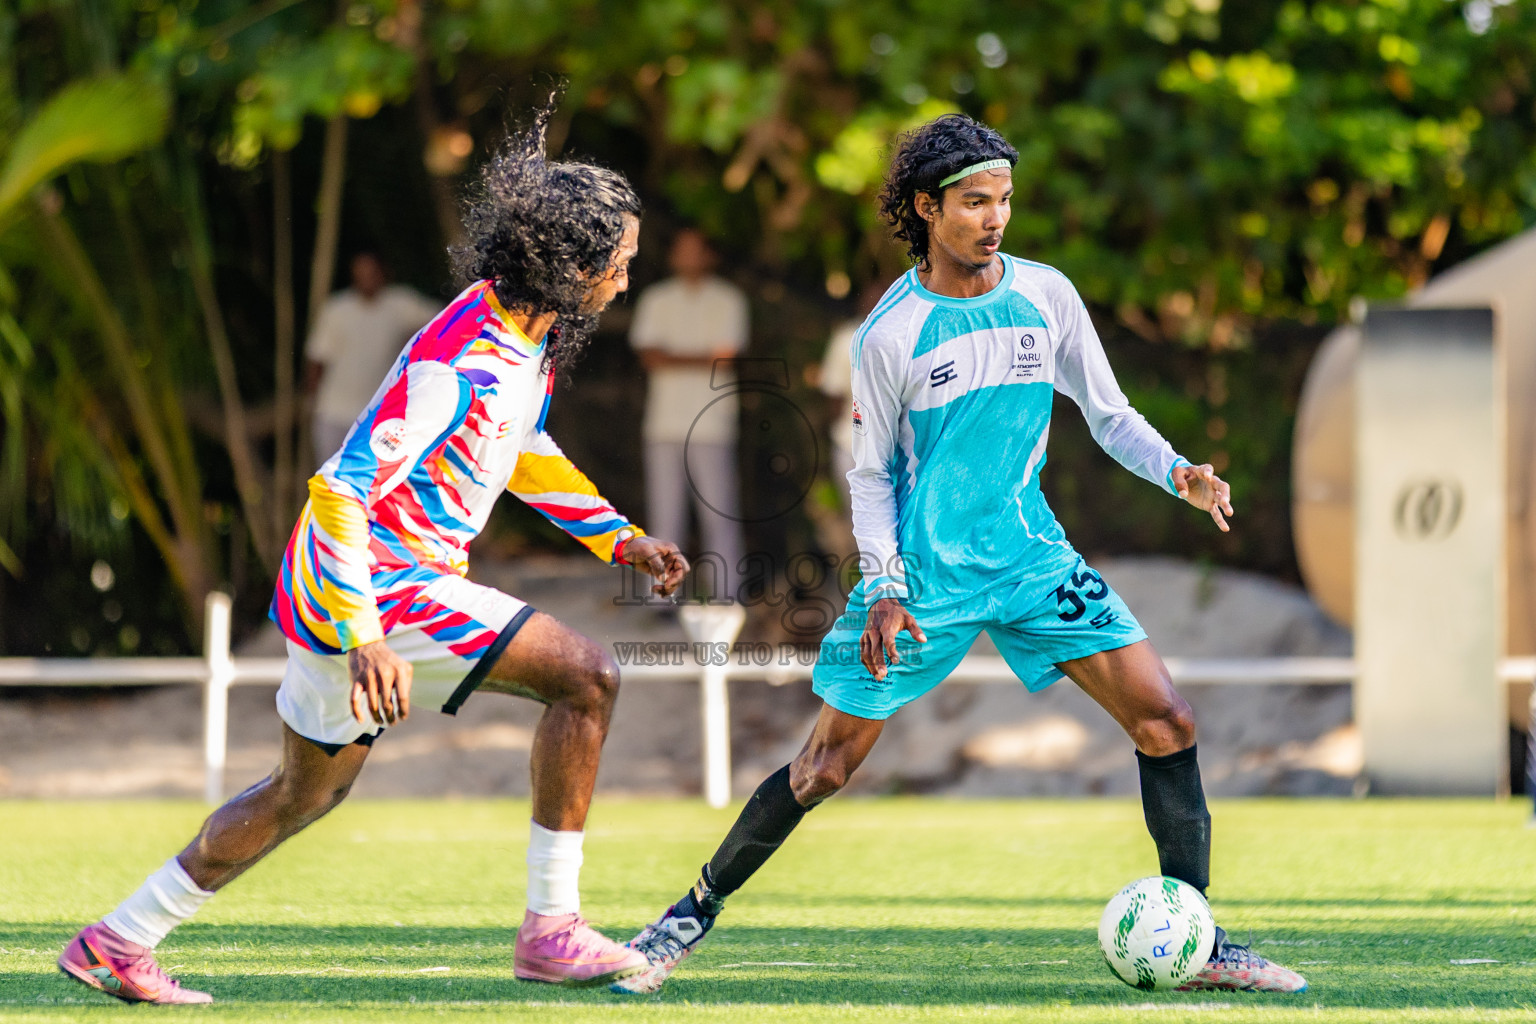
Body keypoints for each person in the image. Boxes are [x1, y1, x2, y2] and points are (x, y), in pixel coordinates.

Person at [613, 114, 1308, 996]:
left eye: (1005, 200)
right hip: (920, 581)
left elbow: (1108, 413)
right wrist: (890, 588)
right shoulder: (890, 334)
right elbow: (869, 479)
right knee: (824, 766)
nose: (995, 218)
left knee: (1167, 721)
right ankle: (683, 920)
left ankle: (1200, 942)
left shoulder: (1047, 295)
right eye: (976, 201)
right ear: (926, 208)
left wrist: (1180, 474)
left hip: (1030, 562)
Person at [57, 106, 690, 1005]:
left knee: (299, 796)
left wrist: (614, 534)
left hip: (339, 591)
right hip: (375, 587)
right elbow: (338, 488)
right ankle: (552, 929)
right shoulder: (464, 356)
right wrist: (367, 635)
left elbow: (517, 449)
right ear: (573, 265)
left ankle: (116, 941)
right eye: (619, 267)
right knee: (588, 677)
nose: (625, 284)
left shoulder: (516, 334)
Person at [628, 228, 749, 600]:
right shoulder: (656, 298)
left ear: (710, 255)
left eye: (697, 250)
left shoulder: (729, 299)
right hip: (664, 423)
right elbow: (649, 356)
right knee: (665, 518)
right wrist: (703, 357)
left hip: (712, 424)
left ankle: (729, 599)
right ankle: (660, 600)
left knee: (720, 516)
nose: (689, 258)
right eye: (682, 250)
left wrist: (673, 357)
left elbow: (726, 357)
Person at [305, 251, 442, 467]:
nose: (366, 278)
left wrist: (416, 341)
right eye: (361, 273)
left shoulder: (400, 303)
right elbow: (317, 359)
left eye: (371, 273)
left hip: (377, 414)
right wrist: (311, 400)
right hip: (333, 411)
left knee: (367, 478)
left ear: (383, 274)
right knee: (330, 475)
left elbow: (442, 320)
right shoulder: (337, 309)